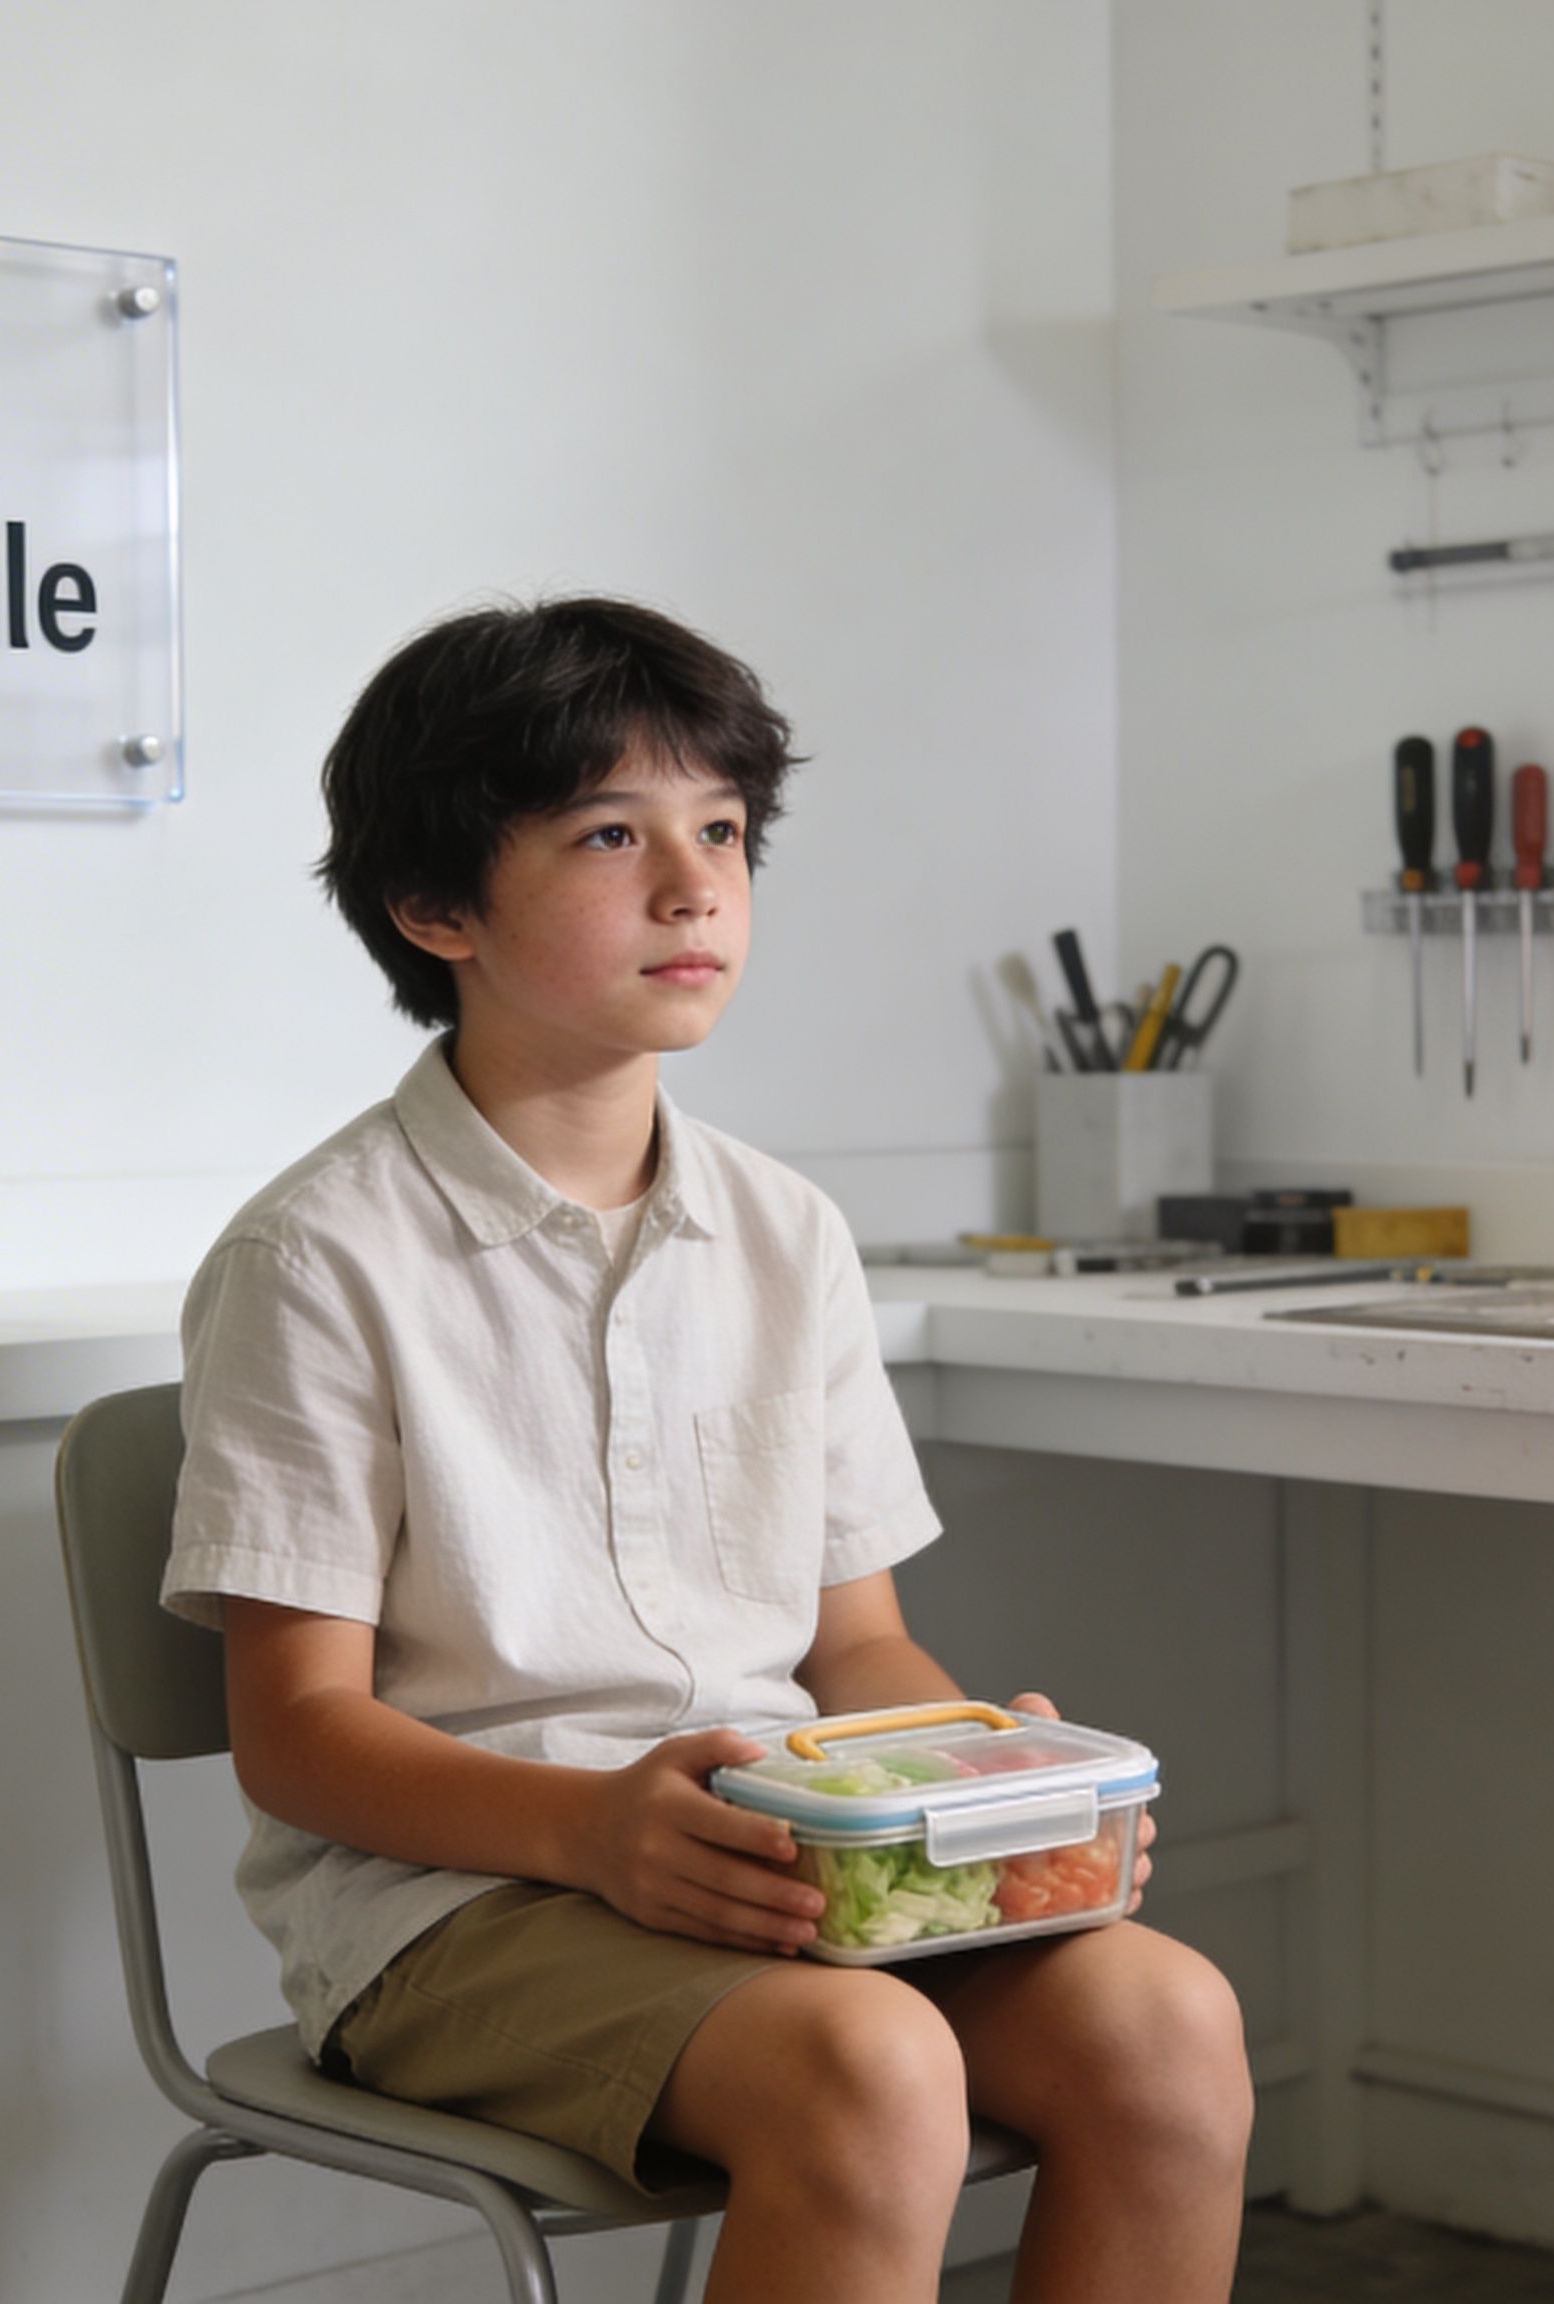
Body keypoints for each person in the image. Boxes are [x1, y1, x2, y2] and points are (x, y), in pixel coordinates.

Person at [162, 596, 1250, 2302]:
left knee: (1169, 2022)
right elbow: (297, 1742)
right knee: (874, 2073)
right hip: (454, 1911)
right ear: (436, 905)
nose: (698, 887)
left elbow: (856, 1640)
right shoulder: (316, 1260)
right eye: (614, 834)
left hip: (782, 1860)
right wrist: (597, 1831)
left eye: (724, 832)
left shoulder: (785, 1229)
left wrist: (975, 1783)